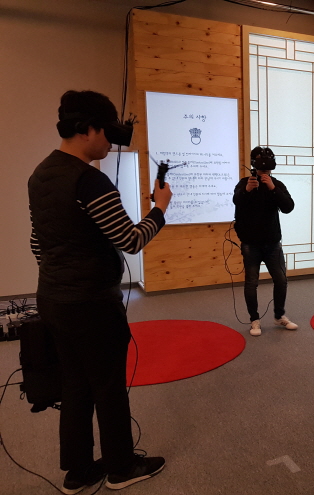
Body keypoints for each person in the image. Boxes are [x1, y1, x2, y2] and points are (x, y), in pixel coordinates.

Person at [28, 90, 171, 493]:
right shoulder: (91, 181)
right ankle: (122, 467)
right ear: (86, 129)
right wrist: (160, 208)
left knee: (75, 384)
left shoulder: (40, 174)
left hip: (53, 299)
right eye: (106, 133)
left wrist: (62, 276)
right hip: (91, 304)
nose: (110, 142)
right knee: (107, 386)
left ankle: (77, 472)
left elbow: (38, 244)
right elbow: (130, 240)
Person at [233, 146, 297, 337]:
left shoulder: (276, 184)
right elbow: (236, 202)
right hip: (250, 243)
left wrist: (272, 188)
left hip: (272, 243)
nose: (263, 167)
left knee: (281, 280)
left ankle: (279, 316)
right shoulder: (244, 183)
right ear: (253, 163)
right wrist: (247, 190)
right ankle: (254, 320)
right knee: (251, 283)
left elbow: (288, 207)